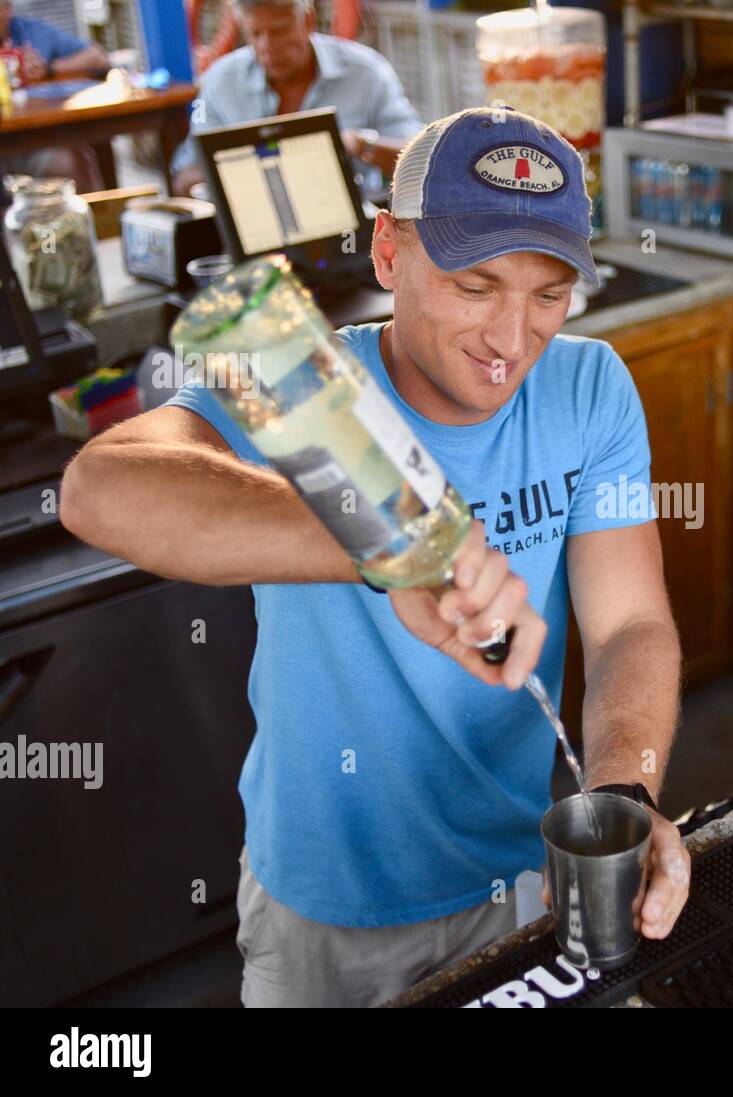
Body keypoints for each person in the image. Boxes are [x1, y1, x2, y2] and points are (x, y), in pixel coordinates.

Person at [61, 107, 691, 1008]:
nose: (513, 342)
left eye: (549, 294)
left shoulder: (591, 388)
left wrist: (626, 792)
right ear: (390, 252)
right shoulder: (301, 387)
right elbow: (99, 487)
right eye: (477, 285)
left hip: (520, 880)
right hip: (325, 911)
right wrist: (385, 542)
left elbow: (631, 622)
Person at [172, 0, 422, 197]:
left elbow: (421, 159)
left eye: (279, 31)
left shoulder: (367, 72)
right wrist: (234, 173)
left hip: (350, 237)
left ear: (308, 20)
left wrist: (359, 144)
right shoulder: (219, 82)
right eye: (255, 34)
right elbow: (185, 176)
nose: (267, 45)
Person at [0, 0, 110, 190]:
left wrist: (48, 68)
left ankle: (101, 215)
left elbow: (98, 57)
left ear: (8, 9)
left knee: (78, 159)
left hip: (34, 140)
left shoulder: (31, 33)